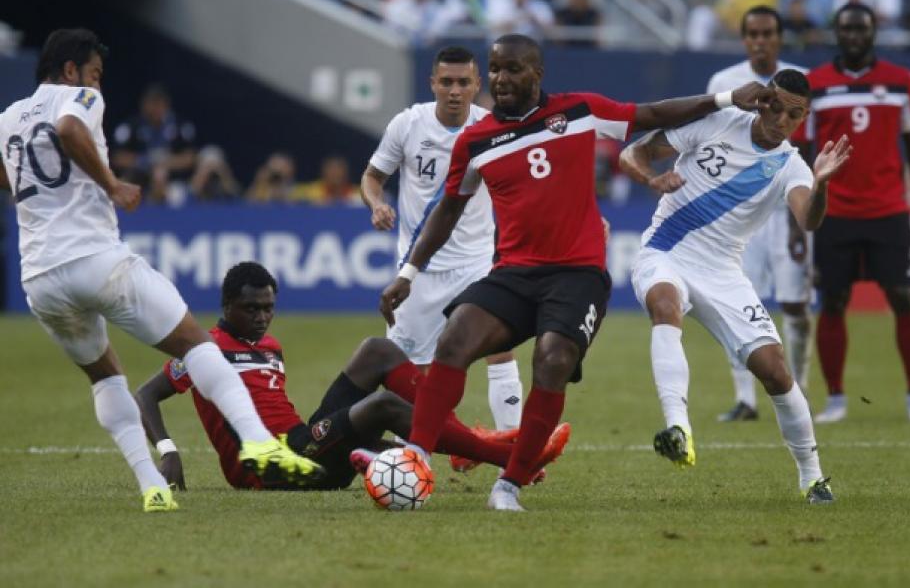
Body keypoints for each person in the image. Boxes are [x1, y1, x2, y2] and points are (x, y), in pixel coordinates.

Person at [380, 33, 774, 511]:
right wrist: (409, 272)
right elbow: (448, 210)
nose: (501, 79)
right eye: (496, 69)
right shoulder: (475, 140)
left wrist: (726, 99)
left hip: (577, 275)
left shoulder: (579, 111)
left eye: (512, 69)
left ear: (537, 73)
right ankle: (417, 458)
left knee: (552, 360)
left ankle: (510, 484)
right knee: (455, 339)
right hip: (514, 274)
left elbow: (652, 113)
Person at [0, 28, 320, 512]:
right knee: (196, 344)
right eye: (95, 74)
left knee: (105, 377)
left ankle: (151, 485)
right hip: (92, 257)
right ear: (70, 70)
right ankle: (258, 441)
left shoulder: (8, 118)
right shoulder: (79, 98)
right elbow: (67, 130)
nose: (98, 85)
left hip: (41, 278)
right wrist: (111, 184)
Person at [621, 69, 850, 503]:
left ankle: (813, 478)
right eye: (775, 106)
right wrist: (651, 178)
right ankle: (678, 428)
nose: (781, 119)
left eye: (794, 115)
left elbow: (809, 219)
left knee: (775, 371)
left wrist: (821, 185)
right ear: (763, 100)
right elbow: (635, 152)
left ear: (804, 118)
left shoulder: (791, 166)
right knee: (665, 305)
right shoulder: (719, 121)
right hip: (665, 250)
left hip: (723, 271)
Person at [135, 262, 569, 491]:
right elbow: (145, 395)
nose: (263, 318)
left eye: (268, 308)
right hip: (270, 470)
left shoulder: (269, 347)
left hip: (303, 443)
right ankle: (511, 460)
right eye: (252, 309)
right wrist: (168, 452)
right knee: (381, 407)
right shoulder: (204, 352)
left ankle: (453, 443)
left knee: (376, 350)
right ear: (226, 306)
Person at [362, 46, 524, 433]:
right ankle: (414, 452)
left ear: (477, 84)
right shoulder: (407, 125)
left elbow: (530, 185)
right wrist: (376, 204)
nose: (454, 91)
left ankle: (512, 446)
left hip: (476, 264)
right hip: (418, 270)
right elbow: (372, 177)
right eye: (447, 82)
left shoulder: (494, 128)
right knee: (411, 369)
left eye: (463, 82)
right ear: (432, 83)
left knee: (500, 349)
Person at [796, 3, 910, 423]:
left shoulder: (902, 82)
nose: (854, 36)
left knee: (902, 296)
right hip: (833, 212)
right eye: (846, 29)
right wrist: (798, 219)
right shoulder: (814, 85)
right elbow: (800, 157)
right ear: (836, 34)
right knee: (833, 301)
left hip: (888, 210)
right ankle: (836, 399)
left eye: (861, 29)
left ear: (874, 32)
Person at [706, 6, 812, 422]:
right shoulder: (724, 82)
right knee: (734, 305)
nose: (760, 41)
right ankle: (745, 399)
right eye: (753, 34)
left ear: (779, 38)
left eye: (768, 33)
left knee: (795, 303)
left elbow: (809, 146)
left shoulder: (801, 82)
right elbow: (712, 139)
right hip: (738, 212)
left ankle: (799, 389)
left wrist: (802, 219)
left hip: (786, 207)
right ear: (744, 38)